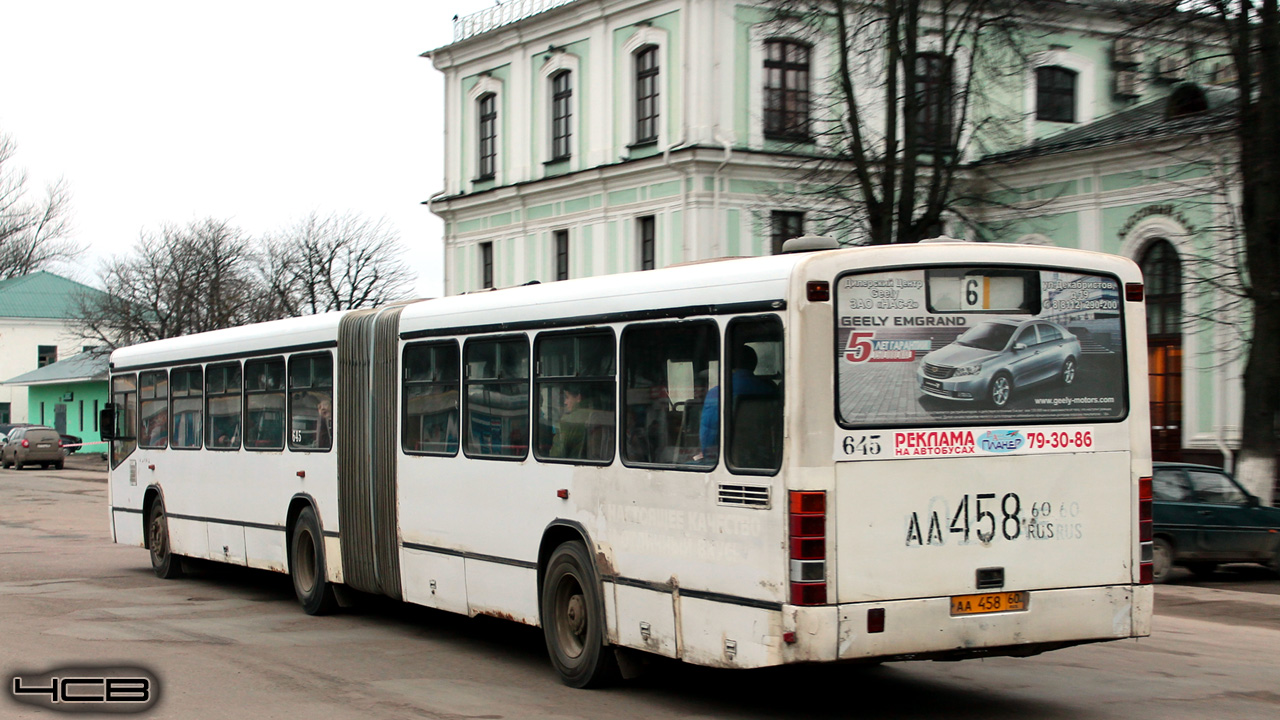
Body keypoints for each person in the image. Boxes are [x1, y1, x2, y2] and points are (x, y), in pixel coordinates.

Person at [698, 345, 776, 461]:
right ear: (754, 364)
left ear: (729, 363)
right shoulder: (770, 390)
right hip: (763, 458)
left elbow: (708, 438)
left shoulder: (715, 393)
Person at [549, 385, 590, 459]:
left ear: (578, 397)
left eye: (567, 397)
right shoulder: (597, 415)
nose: (565, 402)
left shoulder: (568, 421)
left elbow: (556, 455)